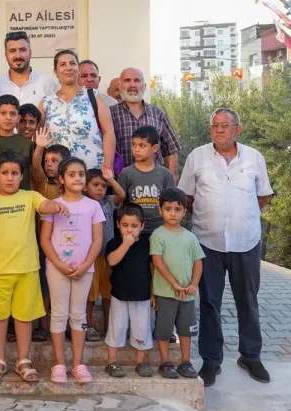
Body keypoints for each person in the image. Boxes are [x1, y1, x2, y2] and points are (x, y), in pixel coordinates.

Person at [179, 108, 273, 387]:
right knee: (209, 302)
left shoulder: (254, 157)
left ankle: (250, 356)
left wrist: (240, 218)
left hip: (246, 243)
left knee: (248, 300)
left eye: (225, 125)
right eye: (214, 125)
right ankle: (211, 361)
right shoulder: (197, 157)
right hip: (207, 243)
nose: (219, 130)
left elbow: (262, 197)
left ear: (237, 130)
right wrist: (212, 218)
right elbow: (187, 197)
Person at [0, 149, 70, 384]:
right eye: (5, 173)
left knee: (24, 317)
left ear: (21, 176)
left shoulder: (30, 196)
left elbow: (45, 205)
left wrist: (57, 206)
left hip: (27, 269)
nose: (10, 178)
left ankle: (23, 360)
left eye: (15, 173)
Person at [41, 157, 105, 384]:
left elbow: (97, 240)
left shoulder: (93, 206)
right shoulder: (53, 205)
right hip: (56, 269)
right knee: (58, 314)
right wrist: (59, 264)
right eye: (71, 174)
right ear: (61, 179)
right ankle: (59, 364)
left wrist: (85, 266)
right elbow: (45, 239)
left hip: (84, 270)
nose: (77, 178)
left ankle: (78, 364)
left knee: (79, 315)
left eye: (81, 174)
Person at [150, 188, 204, 380]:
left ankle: (186, 362)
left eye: (177, 209)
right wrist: (174, 284)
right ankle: (165, 363)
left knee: (186, 330)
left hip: (187, 295)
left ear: (184, 211)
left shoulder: (190, 237)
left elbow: (198, 262)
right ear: (160, 210)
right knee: (164, 330)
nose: (172, 213)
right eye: (168, 209)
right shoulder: (158, 235)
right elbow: (157, 262)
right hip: (166, 293)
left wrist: (193, 285)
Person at [39, 50, 115, 170]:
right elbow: (38, 137)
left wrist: (108, 166)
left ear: (78, 69)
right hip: (58, 171)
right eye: (63, 64)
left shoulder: (93, 96)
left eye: (72, 63)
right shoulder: (46, 102)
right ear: (56, 72)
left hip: (91, 170)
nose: (69, 67)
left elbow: (108, 133)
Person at [103, 203, 154, 378]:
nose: (129, 230)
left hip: (142, 296)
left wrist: (153, 293)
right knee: (116, 328)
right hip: (119, 295)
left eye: (134, 226)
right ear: (118, 225)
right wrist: (125, 245)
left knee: (142, 328)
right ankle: (112, 361)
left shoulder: (147, 243)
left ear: (142, 226)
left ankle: (140, 362)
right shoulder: (114, 243)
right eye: (125, 225)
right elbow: (111, 261)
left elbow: (152, 268)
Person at [31, 130, 71, 342]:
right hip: (43, 243)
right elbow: (36, 167)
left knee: (65, 285)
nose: (49, 164)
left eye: (54, 161)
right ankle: (44, 325)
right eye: (47, 160)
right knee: (44, 285)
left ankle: (68, 325)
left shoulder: (71, 187)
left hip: (67, 244)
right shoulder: (41, 183)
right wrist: (39, 147)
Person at [110, 68, 180, 180]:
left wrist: (172, 181)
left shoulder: (158, 113)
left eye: (137, 80)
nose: (132, 85)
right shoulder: (110, 114)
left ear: (144, 86)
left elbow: (171, 150)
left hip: (154, 183)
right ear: (120, 85)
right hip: (121, 184)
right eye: (127, 80)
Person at [114, 126, 176, 238]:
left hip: (160, 230)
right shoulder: (126, 173)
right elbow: (118, 202)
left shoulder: (165, 174)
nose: (136, 149)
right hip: (134, 232)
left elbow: (172, 203)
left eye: (141, 145)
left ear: (155, 148)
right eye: (134, 145)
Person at [84, 167, 120, 340]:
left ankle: (108, 326)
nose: (100, 188)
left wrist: (111, 180)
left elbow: (121, 195)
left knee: (108, 293)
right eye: (95, 185)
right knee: (90, 295)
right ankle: (88, 326)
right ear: (85, 186)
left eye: (103, 186)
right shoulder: (83, 203)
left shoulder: (108, 202)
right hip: (91, 257)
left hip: (108, 257)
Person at [0, 31, 58, 106]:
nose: (18, 56)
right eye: (12, 51)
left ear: (30, 53)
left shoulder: (47, 84)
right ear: (6, 56)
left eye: (22, 50)